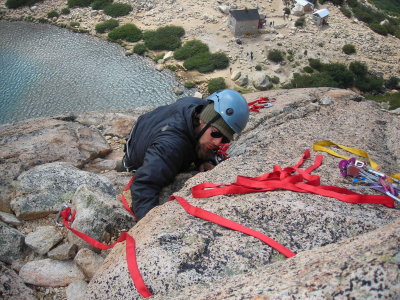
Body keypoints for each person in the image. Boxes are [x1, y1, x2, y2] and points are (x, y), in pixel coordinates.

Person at [118, 89, 249, 220]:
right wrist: (148, 225)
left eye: (225, 139)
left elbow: (198, 137)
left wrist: (204, 158)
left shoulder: (198, 106)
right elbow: (144, 185)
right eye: (215, 133)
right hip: (137, 148)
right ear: (203, 120)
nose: (217, 142)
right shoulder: (171, 147)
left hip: (151, 123)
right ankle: (123, 165)